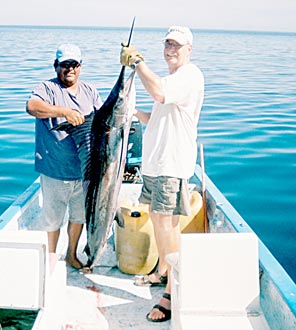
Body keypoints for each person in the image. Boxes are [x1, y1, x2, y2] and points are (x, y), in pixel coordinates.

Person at [120, 26, 204, 322]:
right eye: (167, 43)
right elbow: (155, 118)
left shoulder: (190, 76)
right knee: (158, 220)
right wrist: (131, 112)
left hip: (172, 164)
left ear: (189, 49)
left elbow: (158, 91)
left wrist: (138, 63)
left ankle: (172, 291)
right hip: (154, 165)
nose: (171, 49)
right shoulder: (171, 79)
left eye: (177, 45)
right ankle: (162, 271)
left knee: (168, 226)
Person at [26, 43, 103, 269]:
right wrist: (64, 112)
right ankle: (50, 259)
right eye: (64, 65)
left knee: (79, 216)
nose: (69, 69)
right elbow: (31, 106)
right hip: (55, 170)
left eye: (74, 64)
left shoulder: (90, 91)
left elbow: (102, 122)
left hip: (84, 172)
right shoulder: (47, 88)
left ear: (80, 66)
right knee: (52, 219)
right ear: (56, 66)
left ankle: (71, 254)